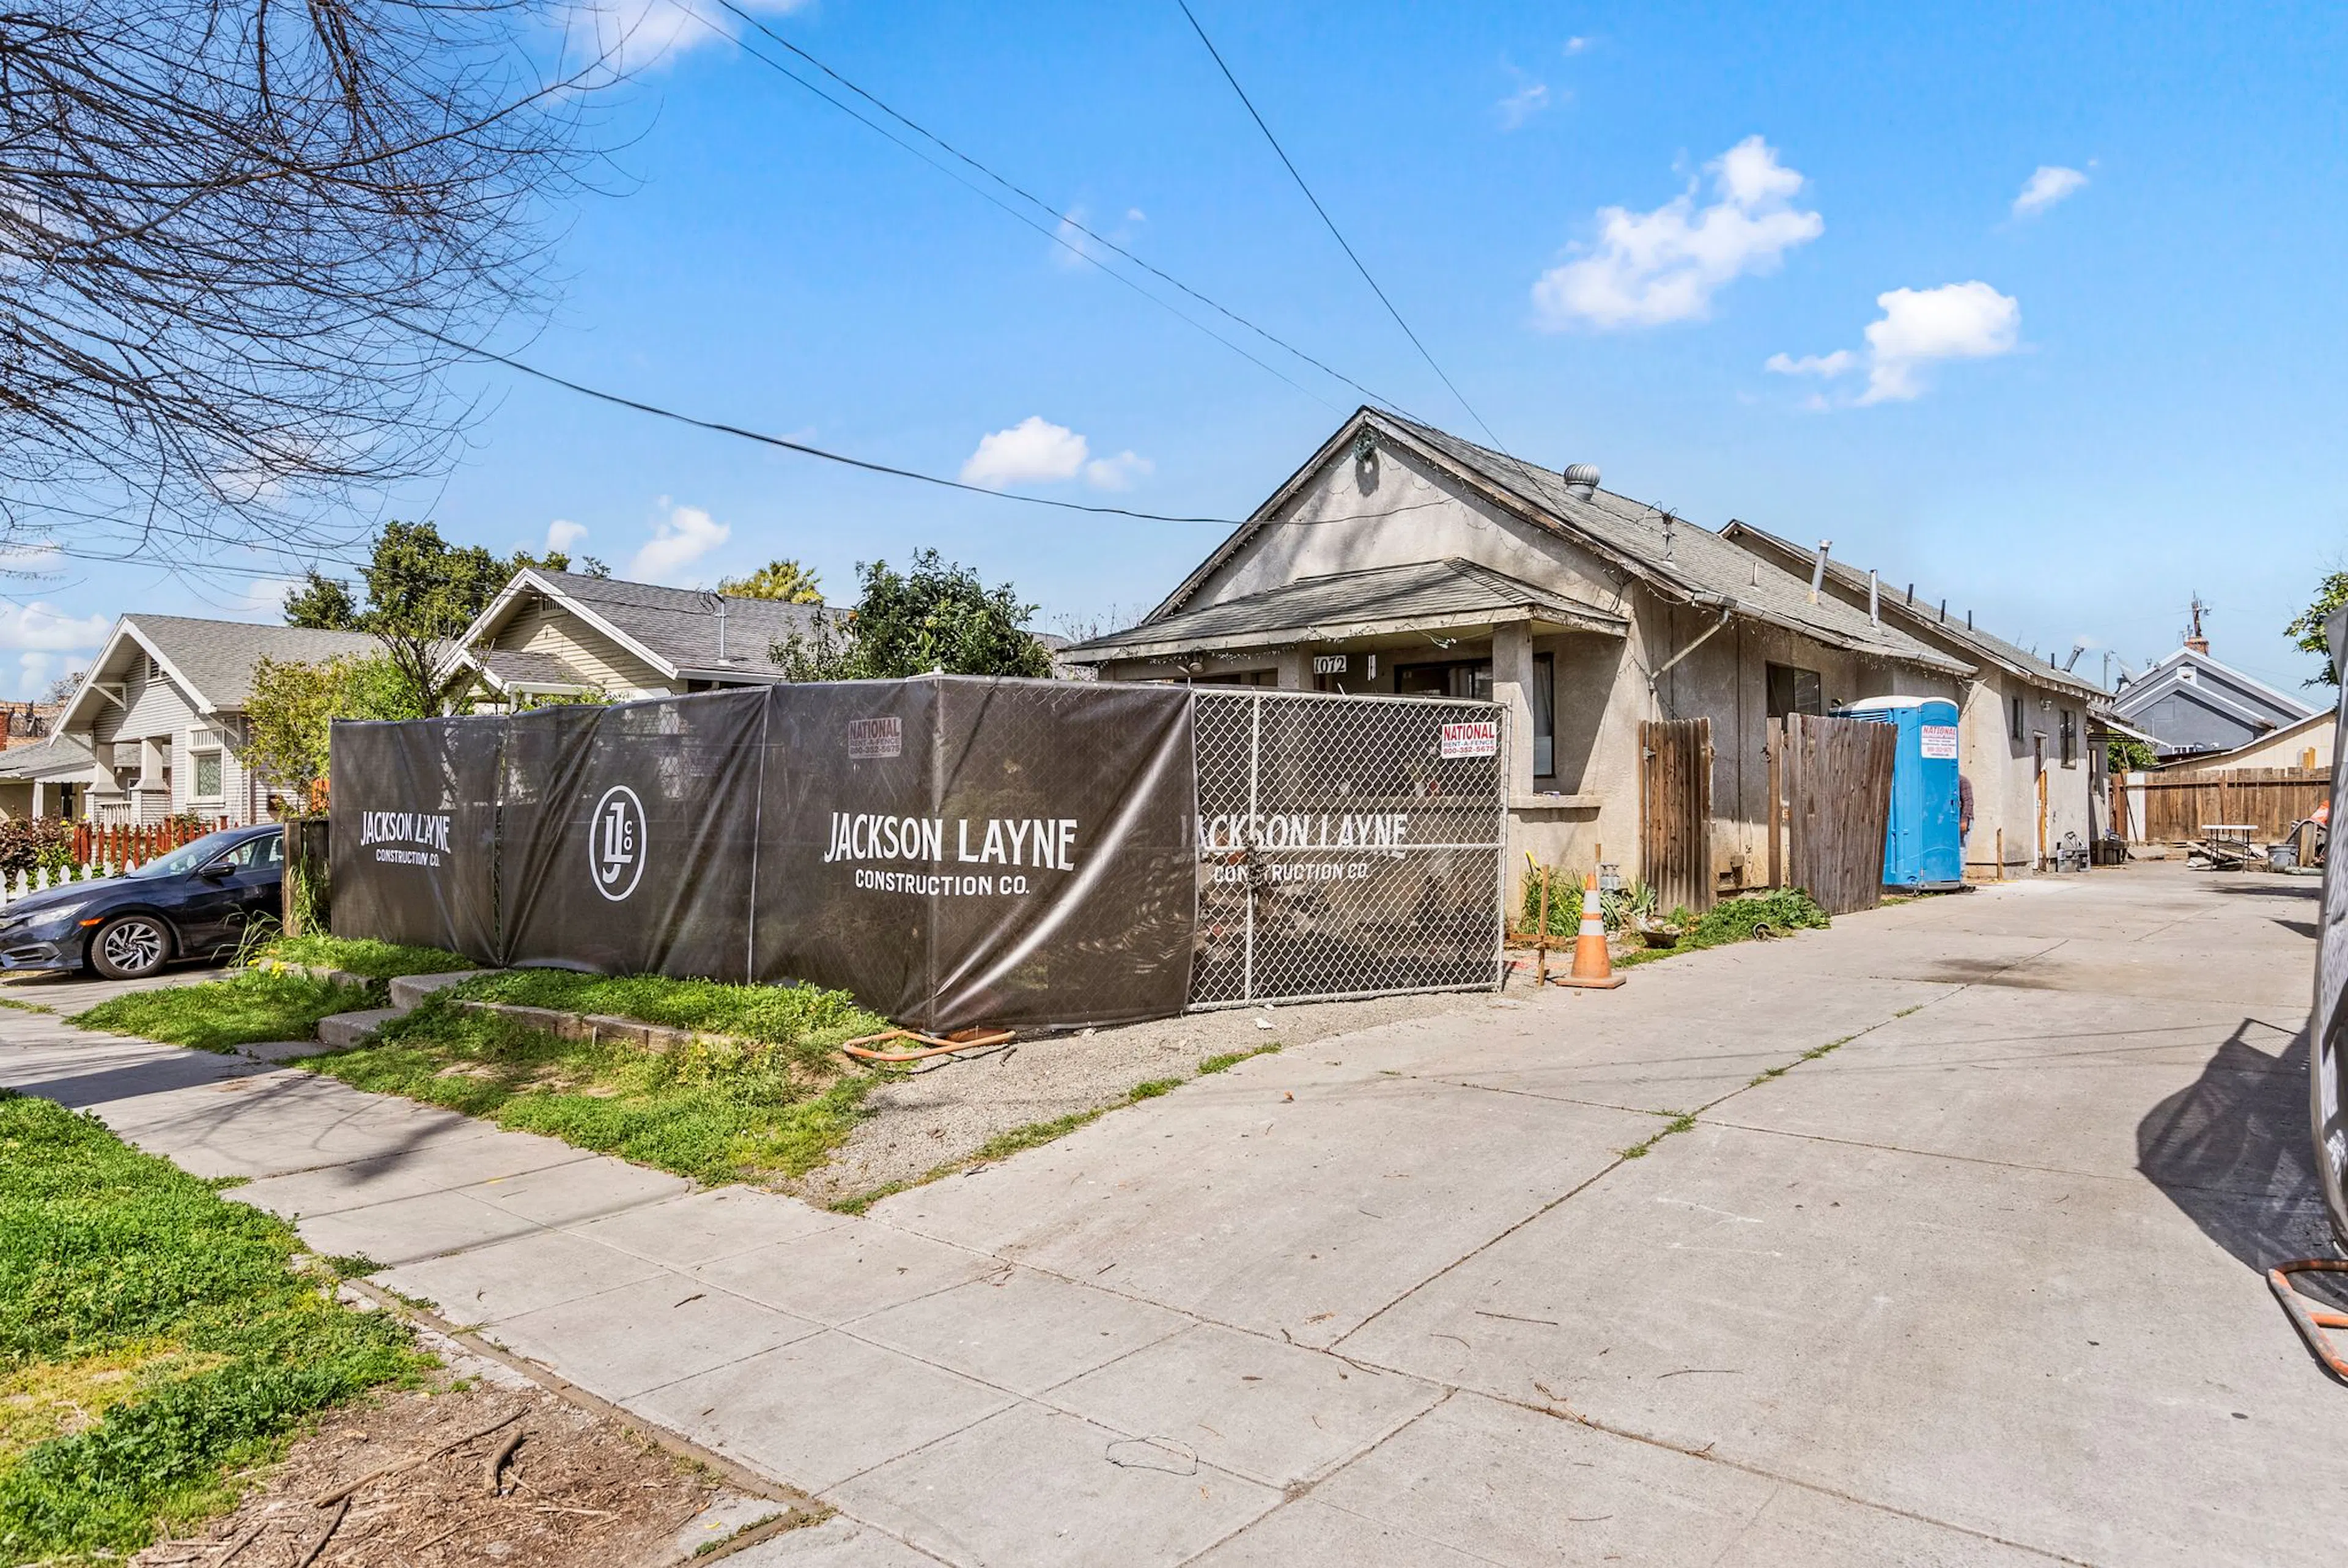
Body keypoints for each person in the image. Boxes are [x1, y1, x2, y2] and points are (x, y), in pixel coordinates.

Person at [1957, 772, 1975, 845]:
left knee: (1961, 846)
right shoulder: (1948, 783)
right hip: (1953, 820)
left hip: (1964, 818)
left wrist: (1964, 820)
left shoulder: (1962, 781)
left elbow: (1968, 802)